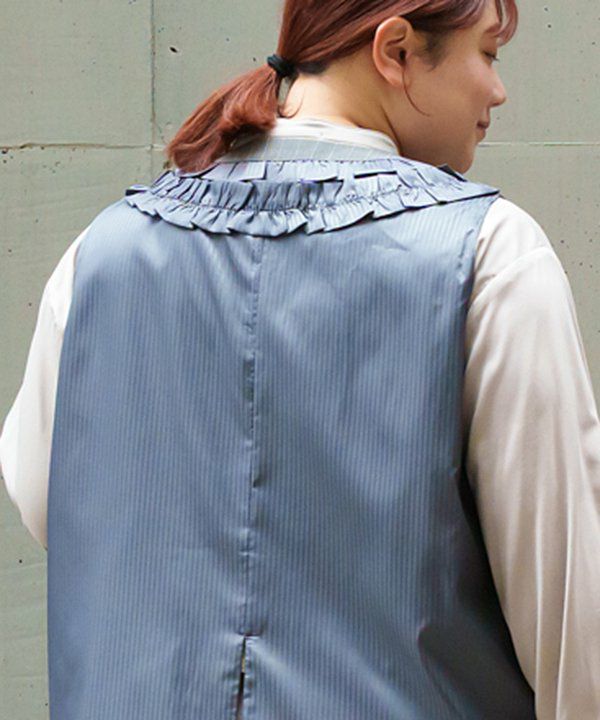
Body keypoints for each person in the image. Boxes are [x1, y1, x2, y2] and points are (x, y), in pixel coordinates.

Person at [1, 0, 600, 717]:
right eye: (488, 54)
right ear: (397, 51)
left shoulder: (100, 254)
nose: (497, 91)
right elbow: (572, 630)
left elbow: (53, 505)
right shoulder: (491, 255)